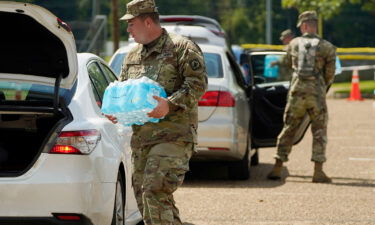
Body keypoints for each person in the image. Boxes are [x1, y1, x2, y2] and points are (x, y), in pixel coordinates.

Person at [106, 0, 208, 224]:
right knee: (144, 195)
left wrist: (169, 104)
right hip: (142, 139)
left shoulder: (182, 47)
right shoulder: (132, 56)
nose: (128, 29)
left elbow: (198, 84)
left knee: (154, 189)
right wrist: (117, 111)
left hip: (174, 136)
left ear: (148, 22)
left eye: (131, 23)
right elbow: (124, 90)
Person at [267, 10, 336, 183]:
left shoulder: (294, 44)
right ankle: (318, 171)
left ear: (304, 25)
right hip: (317, 93)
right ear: (314, 25)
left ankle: (277, 166)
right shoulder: (327, 47)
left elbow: (286, 65)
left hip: (297, 92)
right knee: (319, 131)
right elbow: (330, 74)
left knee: (289, 128)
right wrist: (321, 85)